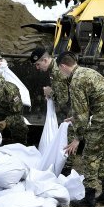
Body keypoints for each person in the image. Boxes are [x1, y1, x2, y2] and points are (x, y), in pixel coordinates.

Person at [56, 51, 104, 207]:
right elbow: (92, 104)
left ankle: (89, 199)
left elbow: (82, 113)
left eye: (60, 70)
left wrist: (77, 138)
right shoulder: (88, 71)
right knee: (101, 153)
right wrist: (74, 118)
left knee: (89, 155)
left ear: (63, 66)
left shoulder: (75, 81)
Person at [30, 47, 74, 175]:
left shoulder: (57, 71)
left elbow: (63, 98)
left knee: (70, 136)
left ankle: (66, 169)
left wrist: (51, 93)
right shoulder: (54, 68)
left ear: (45, 60)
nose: (37, 68)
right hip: (74, 105)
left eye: (38, 64)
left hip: (75, 107)